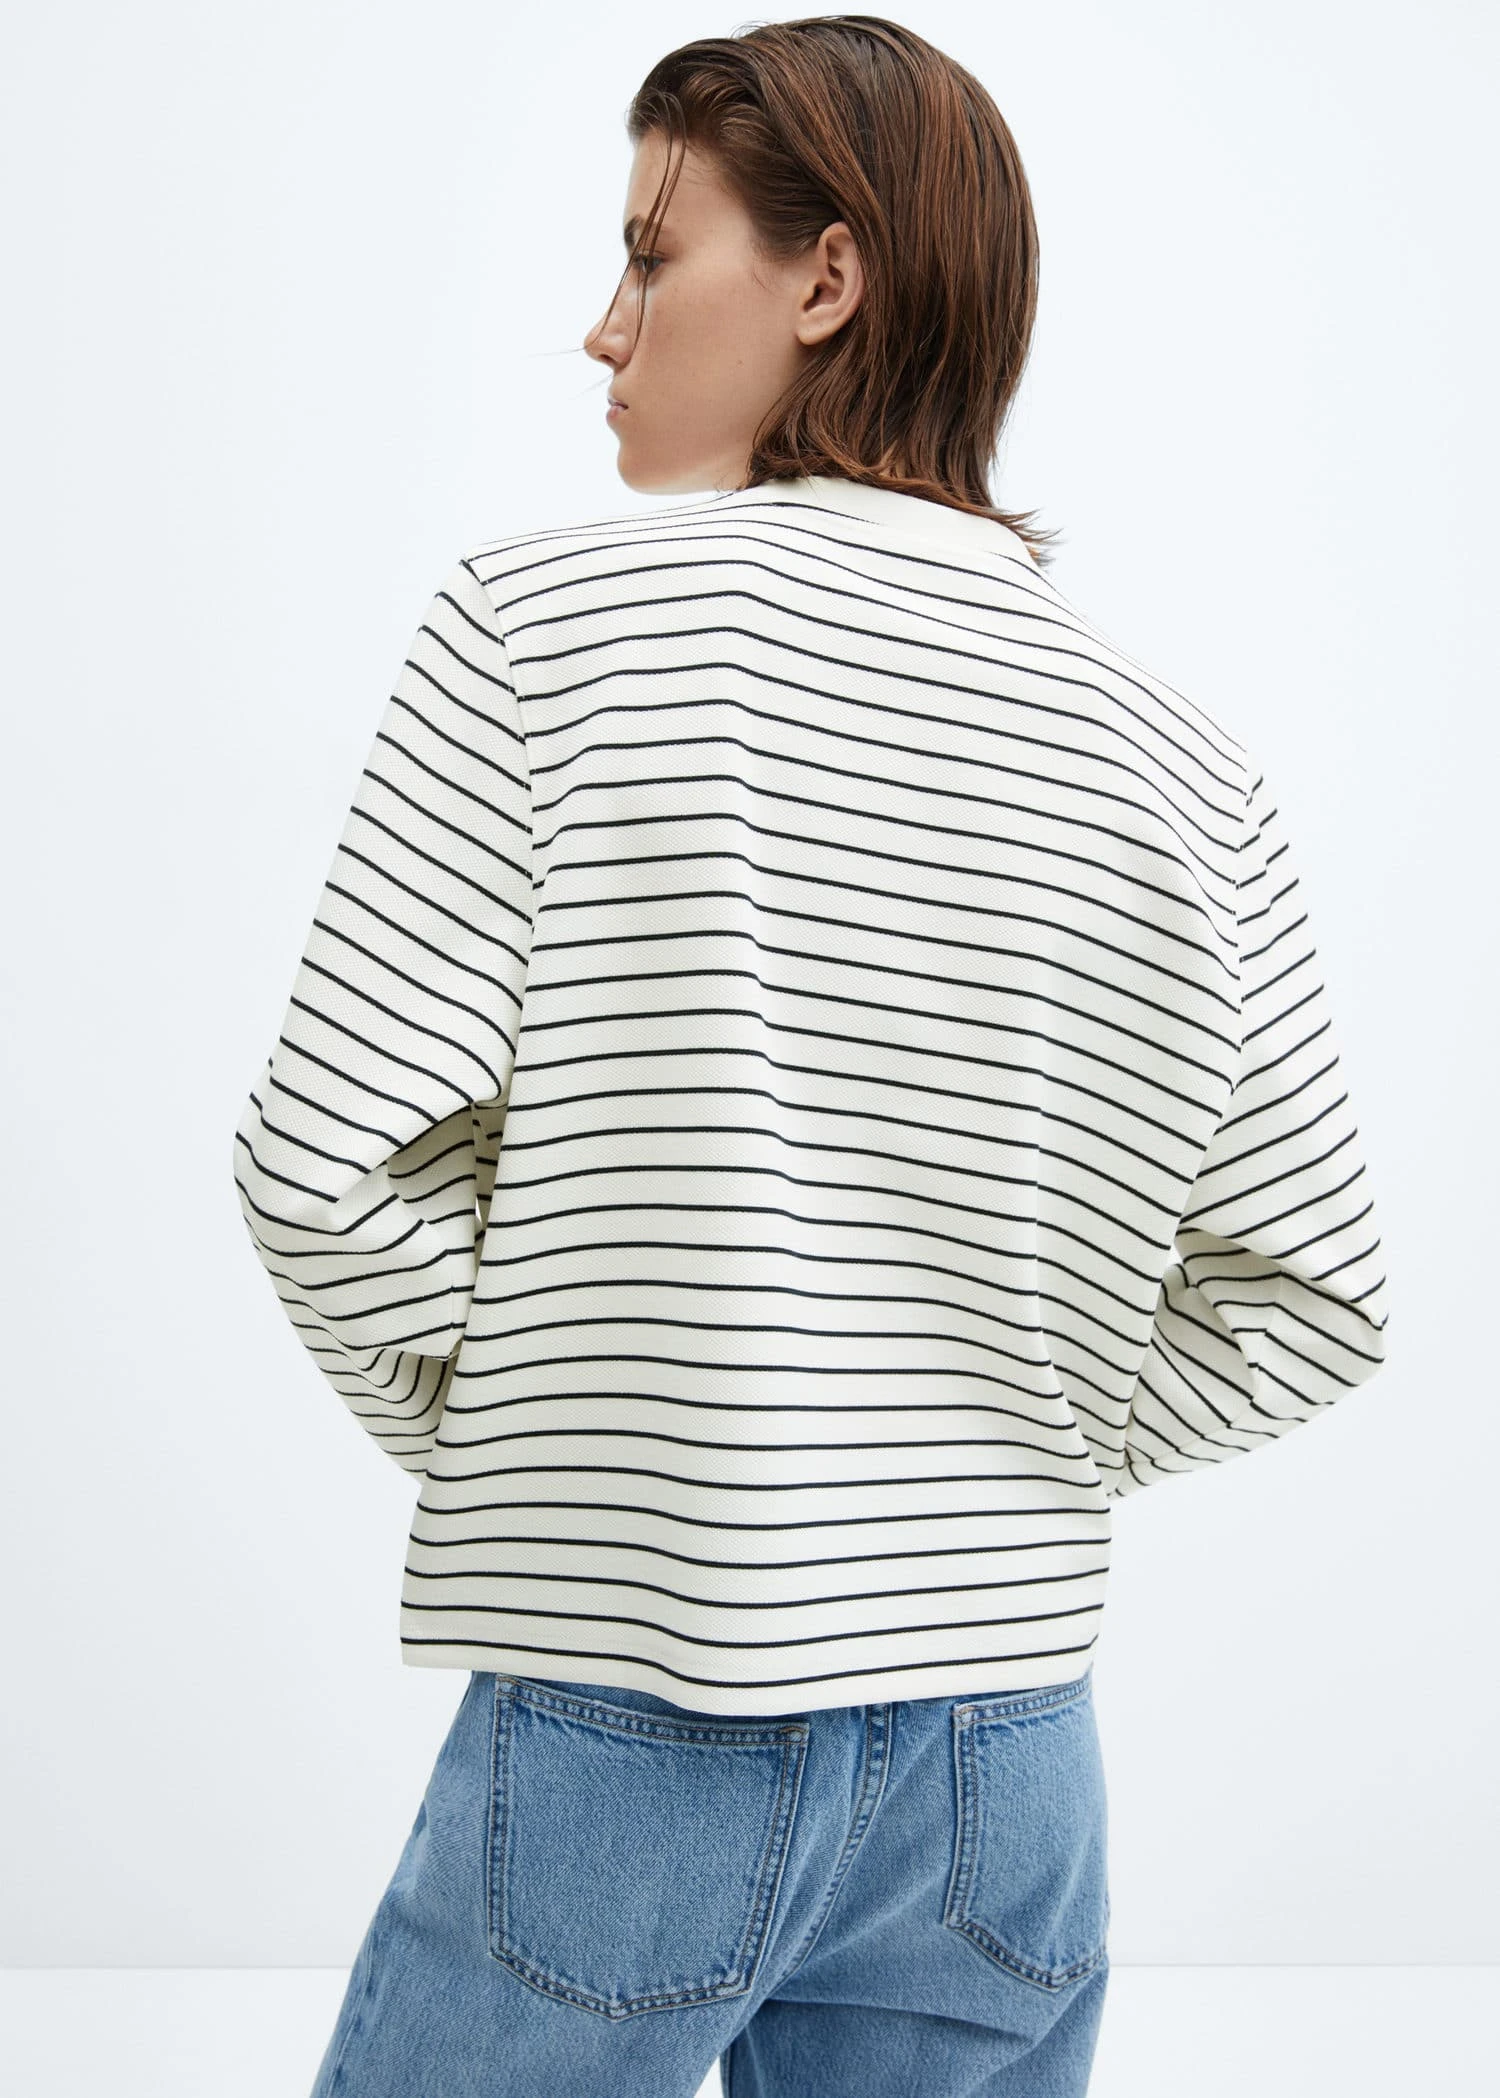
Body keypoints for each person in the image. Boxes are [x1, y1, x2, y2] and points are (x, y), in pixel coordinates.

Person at [231, 17, 1391, 2097]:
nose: (604, 329)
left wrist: (565, 1442)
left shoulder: (544, 634)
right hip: (1008, 1766)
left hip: (643, 1699)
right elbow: (1309, 1293)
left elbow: (324, 1171)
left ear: (828, 278)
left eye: (649, 255)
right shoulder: (1181, 760)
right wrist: (982, 1458)